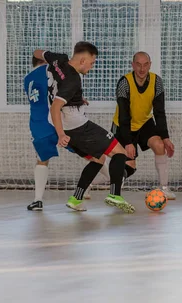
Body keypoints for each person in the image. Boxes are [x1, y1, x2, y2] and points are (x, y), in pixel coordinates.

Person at [33, 42, 135, 213]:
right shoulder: (73, 79)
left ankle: (76, 199)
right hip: (76, 125)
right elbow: (55, 106)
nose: (92, 66)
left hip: (60, 121)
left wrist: (77, 99)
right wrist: (60, 135)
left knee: (98, 159)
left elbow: (38, 53)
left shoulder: (58, 59)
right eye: (92, 62)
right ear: (82, 60)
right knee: (119, 152)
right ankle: (115, 194)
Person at [24, 56, 109, 211]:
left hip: (39, 125)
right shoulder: (50, 70)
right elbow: (61, 89)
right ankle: (115, 179)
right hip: (59, 121)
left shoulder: (27, 79)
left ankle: (37, 200)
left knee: (42, 159)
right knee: (94, 154)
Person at [111, 51, 176, 199]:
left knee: (159, 145)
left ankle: (164, 188)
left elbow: (159, 112)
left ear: (150, 65)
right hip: (123, 125)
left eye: (145, 64)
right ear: (133, 65)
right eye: (138, 65)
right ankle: (89, 185)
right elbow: (124, 115)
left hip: (144, 122)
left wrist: (165, 138)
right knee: (128, 166)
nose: (142, 69)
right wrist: (128, 142)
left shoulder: (156, 82)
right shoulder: (124, 83)